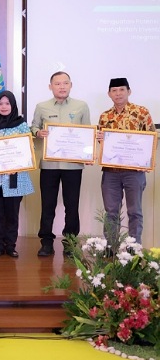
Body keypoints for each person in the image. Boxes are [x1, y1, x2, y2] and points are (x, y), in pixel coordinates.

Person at [31, 71, 91, 257]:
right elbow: (33, 127)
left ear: (71, 85)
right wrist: (38, 132)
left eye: (65, 83)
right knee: (47, 205)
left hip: (73, 166)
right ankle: (46, 242)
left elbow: (87, 132)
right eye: (57, 84)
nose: (62, 87)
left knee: (71, 205)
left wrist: (88, 154)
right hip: (49, 165)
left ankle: (70, 242)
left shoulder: (81, 106)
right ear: (51, 87)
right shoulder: (42, 106)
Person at [98, 77, 155, 244]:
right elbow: (103, 144)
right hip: (111, 172)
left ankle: (133, 248)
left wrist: (149, 160)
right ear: (109, 94)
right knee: (111, 212)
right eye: (114, 91)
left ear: (128, 91)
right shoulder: (104, 116)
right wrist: (99, 138)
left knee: (135, 211)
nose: (118, 93)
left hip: (134, 172)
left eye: (122, 90)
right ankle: (111, 247)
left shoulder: (142, 112)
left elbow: (152, 139)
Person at [0, 91, 34, 258]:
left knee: (12, 213)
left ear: (13, 105)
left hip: (14, 176)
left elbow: (28, 150)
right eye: (1, 103)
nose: (4, 107)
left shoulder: (22, 124)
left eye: (7, 103)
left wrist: (18, 164)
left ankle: (10, 245)